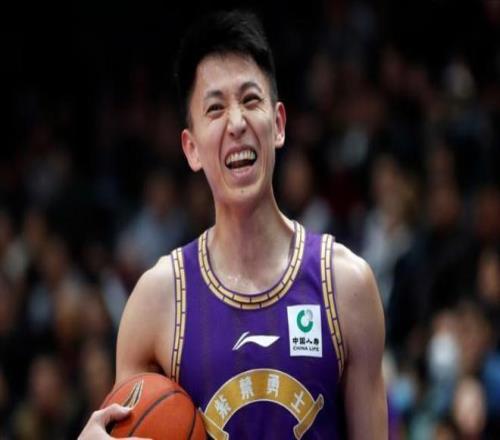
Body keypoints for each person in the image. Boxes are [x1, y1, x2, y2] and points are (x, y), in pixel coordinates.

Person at [79, 10, 387, 439]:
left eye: (250, 100)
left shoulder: (346, 286)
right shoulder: (156, 302)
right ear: (191, 149)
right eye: (215, 108)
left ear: (278, 124)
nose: (237, 123)